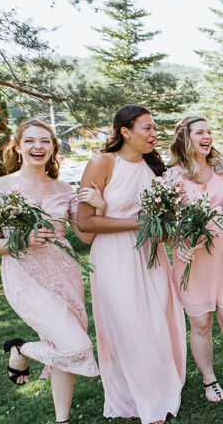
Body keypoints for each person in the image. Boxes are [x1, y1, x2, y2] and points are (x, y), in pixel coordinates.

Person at [77, 105, 186, 424]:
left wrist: (172, 227)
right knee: (127, 325)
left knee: (155, 323)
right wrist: (137, 222)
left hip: (151, 256)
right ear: (125, 131)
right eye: (147, 128)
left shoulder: (156, 170)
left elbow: (163, 229)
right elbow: (85, 223)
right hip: (113, 257)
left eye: (155, 128)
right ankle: (139, 399)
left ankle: (158, 387)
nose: (154, 134)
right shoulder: (102, 163)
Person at [0, 119, 100, 424]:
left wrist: (99, 206)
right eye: (30, 141)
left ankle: (61, 420)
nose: (38, 146)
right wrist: (20, 240)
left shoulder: (65, 188)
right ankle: (21, 348)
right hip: (24, 275)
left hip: (65, 274)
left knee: (60, 341)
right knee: (75, 344)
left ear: (53, 147)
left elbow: (86, 235)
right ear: (18, 147)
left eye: (45, 141)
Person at [165, 116, 223, 410]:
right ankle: (209, 378)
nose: (207, 136)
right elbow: (164, 222)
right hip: (193, 257)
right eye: (200, 132)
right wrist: (177, 243)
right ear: (185, 138)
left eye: (209, 132)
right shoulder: (171, 176)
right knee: (200, 324)